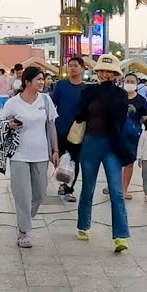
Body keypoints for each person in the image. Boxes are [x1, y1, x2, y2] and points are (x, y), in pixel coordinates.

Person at [0, 66, 58, 249]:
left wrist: (55, 150)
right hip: (18, 155)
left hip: (41, 155)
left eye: (43, 79)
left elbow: (51, 126)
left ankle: (25, 219)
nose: (42, 82)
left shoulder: (46, 100)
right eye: (38, 79)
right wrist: (10, 125)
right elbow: (0, 124)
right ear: (27, 82)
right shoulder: (13, 103)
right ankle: (24, 231)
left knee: (40, 193)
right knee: (22, 195)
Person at [74, 54, 131, 253]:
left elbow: (119, 119)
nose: (105, 74)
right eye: (102, 71)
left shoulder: (120, 95)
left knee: (116, 191)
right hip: (90, 143)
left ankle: (121, 236)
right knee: (87, 187)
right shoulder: (88, 91)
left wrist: (108, 92)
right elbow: (79, 115)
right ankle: (83, 225)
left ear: (115, 74)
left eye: (110, 72)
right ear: (97, 72)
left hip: (112, 145)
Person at [51, 56, 87, 201]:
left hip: (78, 130)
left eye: (75, 65)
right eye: (70, 65)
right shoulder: (61, 85)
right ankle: (62, 182)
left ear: (83, 68)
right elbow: (52, 103)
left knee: (74, 160)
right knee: (60, 158)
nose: (72, 68)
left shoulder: (86, 89)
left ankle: (68, 189)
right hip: (61, 127)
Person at [108, 73, 147, 200]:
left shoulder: (141, 100)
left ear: (137, 84)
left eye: (132, 81)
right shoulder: (117, 97)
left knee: (129, 162)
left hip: (132, 135)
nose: (129, 83)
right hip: (116, 134)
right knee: (114, 162)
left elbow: (145, 119)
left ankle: (124, 189)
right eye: (127, 81)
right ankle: (114, 186)